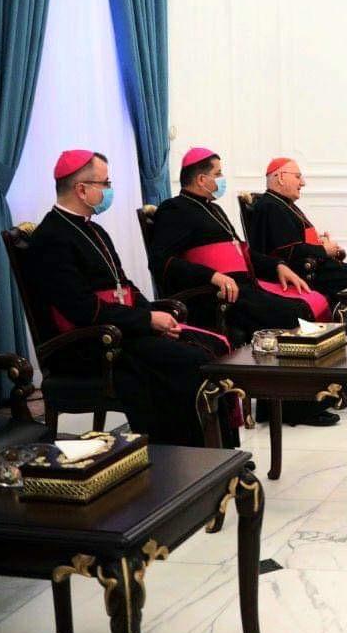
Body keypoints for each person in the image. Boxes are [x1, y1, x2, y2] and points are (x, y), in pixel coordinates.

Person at [29, 150, 235, 446]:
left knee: (207, 345)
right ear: (81, 189)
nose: (109, 189)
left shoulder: (94, 229)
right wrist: (147, 319)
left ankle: (220, 451)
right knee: (190, 360)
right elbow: (82, 309)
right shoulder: (51, 237)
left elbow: (124, 287)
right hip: (89, 344)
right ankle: (188, 453)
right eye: (105, 183)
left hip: (118, 332)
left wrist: (153, 314)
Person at [148, 147, 338, 426]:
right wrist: (211, 276)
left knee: (299, 306)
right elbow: (163, 262)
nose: (222, 179)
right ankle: (291, 408)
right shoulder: (174, 210)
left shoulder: (213, 209)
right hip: (214, 296)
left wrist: (277, 266)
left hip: (243, 289)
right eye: (218, 173)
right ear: (201, 179)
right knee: (291, 315)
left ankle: (287, 402)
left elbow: (243, 253)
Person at [247, 157, 347, 335]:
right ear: (281, 177)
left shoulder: (283, 204)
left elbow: (298, 244)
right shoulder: (271, 206)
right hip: (306, 274)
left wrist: (325, 247)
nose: (303, 183)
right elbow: (289, 252)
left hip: (318, 269)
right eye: (298, 176)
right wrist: (324, 250)